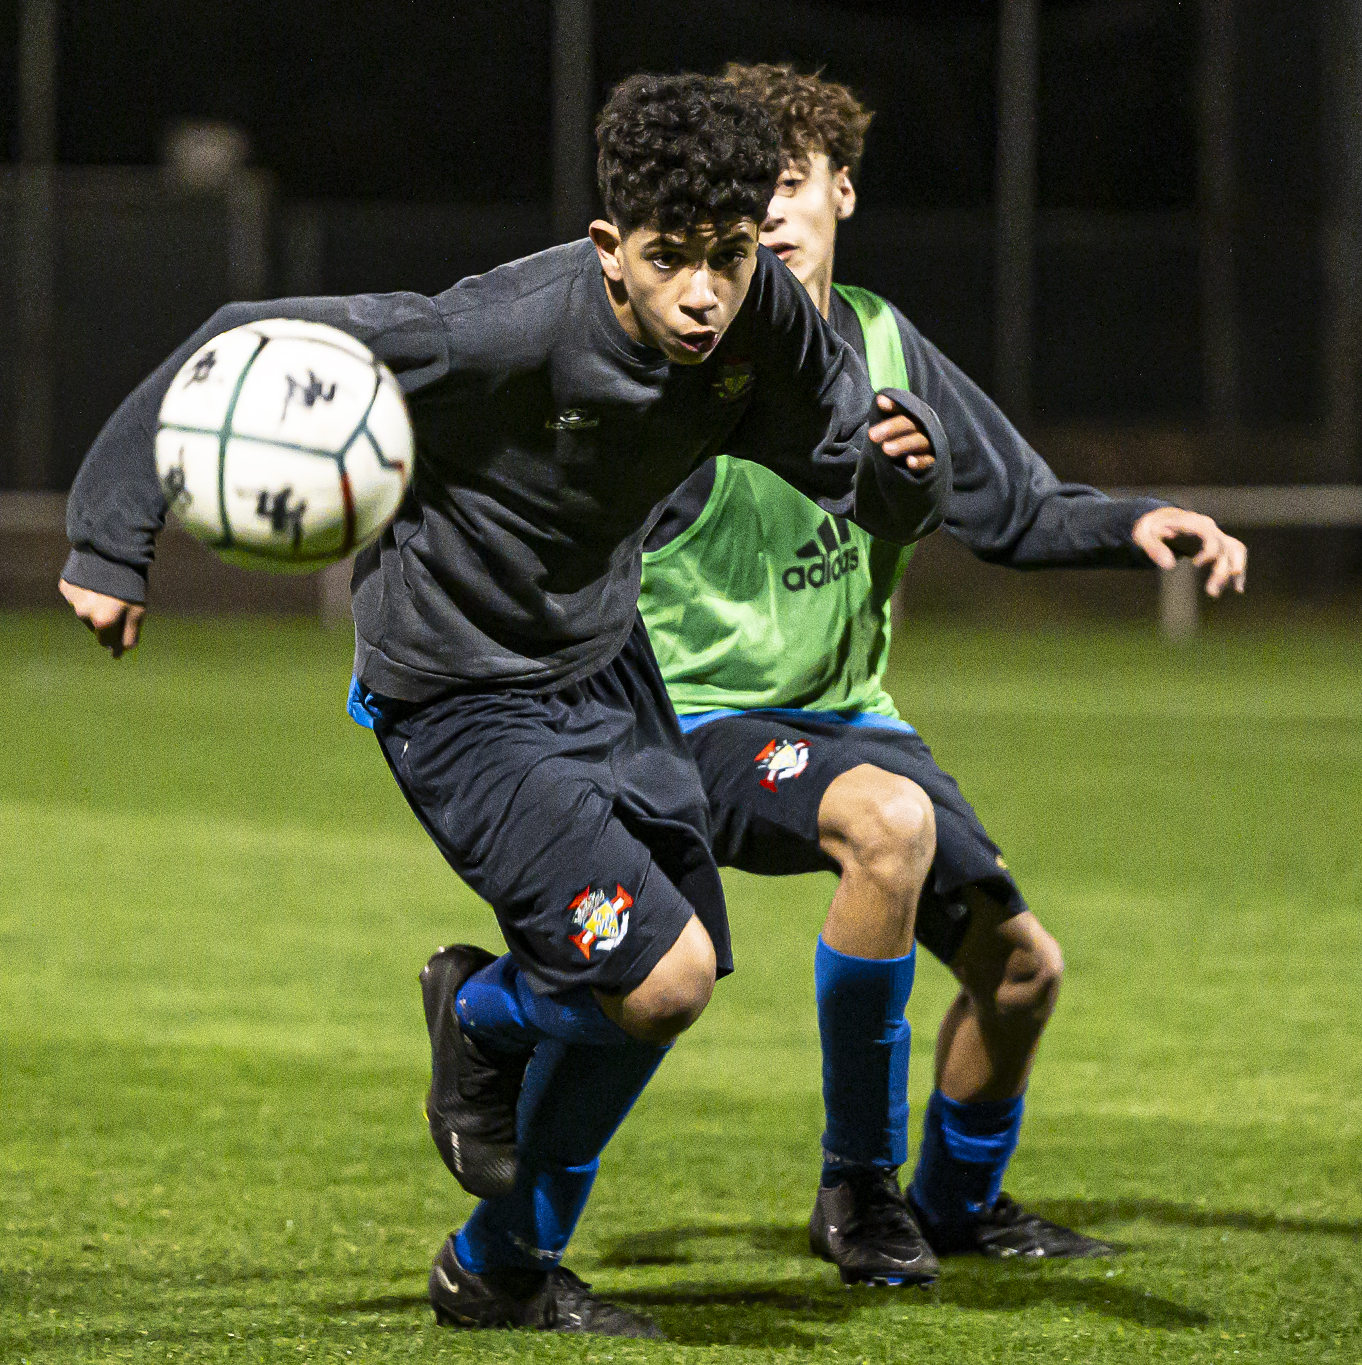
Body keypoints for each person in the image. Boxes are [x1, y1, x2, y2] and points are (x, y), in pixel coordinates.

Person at [57, 73, 949, 1338]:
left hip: (603, 666)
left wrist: (899, 480)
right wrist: (108, 542)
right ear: (607, 251)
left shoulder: (773, 331)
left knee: (656, 993)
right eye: (668, 260)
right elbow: (241, 336)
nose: (703, 293)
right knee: (660, 977)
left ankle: (500, 1263)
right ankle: (478, 1016)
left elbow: (853, 485)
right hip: (457, 685)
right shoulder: (503, 330)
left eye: (730, 258)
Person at [635, 63, 1249, 1287]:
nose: (767, 207)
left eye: (792, 180)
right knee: (882, 826)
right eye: (746, 184)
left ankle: (957, 1203)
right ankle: (856, 1192)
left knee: (1022, 972)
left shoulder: (878, 339)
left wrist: (1128, 525)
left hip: (847, 717)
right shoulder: (672, 353)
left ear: (841, 195)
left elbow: (1010, 504)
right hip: (693, 724)